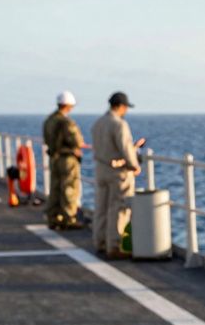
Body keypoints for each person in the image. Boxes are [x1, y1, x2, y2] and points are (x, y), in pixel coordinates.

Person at [92, 91, 144, 258]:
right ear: (121, 106)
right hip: (117, 173)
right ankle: (114, 245)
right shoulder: (119, 125)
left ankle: (100, 241)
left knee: (101, 206)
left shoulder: (98, 123)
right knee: (118, 207)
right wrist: (134, 166)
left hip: (101, 169)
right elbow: (125, 148)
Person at [42, 90, 85, 230]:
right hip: (67, 159)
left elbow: (47, 139)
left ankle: (53, 217)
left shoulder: (48, 120)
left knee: (55, 188)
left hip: (54, 158)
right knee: (69, 188)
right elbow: (77, 141)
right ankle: (68, 218)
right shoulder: (66, 122)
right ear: (68, 105)